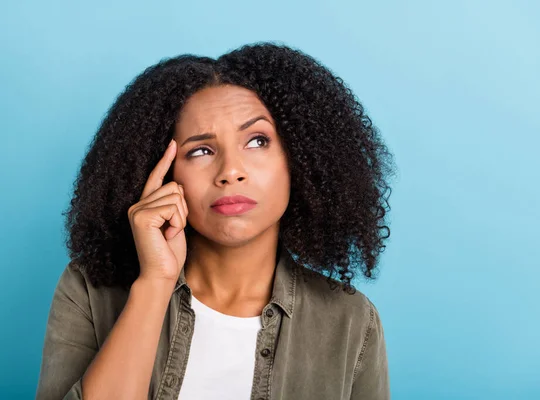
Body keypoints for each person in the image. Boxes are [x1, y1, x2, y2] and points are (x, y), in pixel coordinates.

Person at [35, 41, 396, 400]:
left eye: (256, 141)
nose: (231, 172)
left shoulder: (350, 322)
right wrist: (155, 284)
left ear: (299, 159)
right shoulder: (90, 291)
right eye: (201, 150)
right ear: (163, 173)